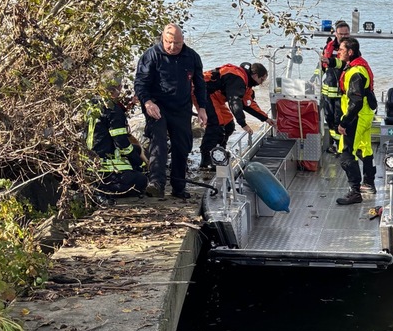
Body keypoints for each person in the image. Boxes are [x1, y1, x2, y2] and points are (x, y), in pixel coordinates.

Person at [134, 23, 207, 200]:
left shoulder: (192, 57)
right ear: (162, 38)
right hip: (157, 106)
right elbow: (140, 83)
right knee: (158, 141)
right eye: (169, 42)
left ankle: (178, 187)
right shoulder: (151, 55)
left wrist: (202, 108)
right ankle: (156, 183)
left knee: (181, 146)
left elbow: (200, 85)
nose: (173, 47)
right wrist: (148, 102)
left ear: (183, 41)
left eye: (177, 43)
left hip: (181, 108)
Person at [199, 62, 275, 169]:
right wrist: (243, 124)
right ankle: (206, 161)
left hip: (214, 96)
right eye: (261, 80)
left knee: (229, 125)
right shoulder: (237, 78)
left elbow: (248, 104)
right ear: (255, 75)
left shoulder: (245, 83)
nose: (261, 83)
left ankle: (219, 153)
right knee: (216, 124)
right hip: (202, 91)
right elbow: (234, 102)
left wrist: (266, 118)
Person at [85, 77, 147, 202]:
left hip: (88, 170)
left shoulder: (92, 105)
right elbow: (122, 143)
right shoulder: (113, 110)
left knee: (135, 150)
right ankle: (104, 191)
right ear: (118, 88)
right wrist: (138, 162)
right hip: (106, 172)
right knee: (142, 180)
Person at [334, 36, 378, 206]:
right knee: (364, 148)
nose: (338, 52)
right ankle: (368, 183)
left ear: (350, 52)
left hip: (357, 116)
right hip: (366, 114)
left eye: (341, 50)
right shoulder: (359, 65)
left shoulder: (355, 72)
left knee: (346, 154)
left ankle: (355, 192)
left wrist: (344, 122)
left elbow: (356, 101)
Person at [320, 20, 349, 153]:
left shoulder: (351, 49)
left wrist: (330, 61)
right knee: (329, 118)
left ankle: (341, 145)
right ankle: (336, 144)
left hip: (342, 93)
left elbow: (344, 65)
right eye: (341, 34)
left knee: (340, 120)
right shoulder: (329, 47)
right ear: (336, 34)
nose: (343, 36)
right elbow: (322, 68)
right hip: (328, 91)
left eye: (346, 34)